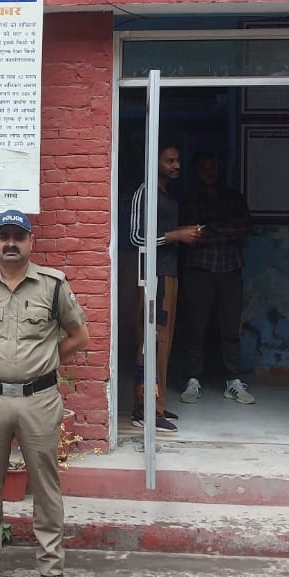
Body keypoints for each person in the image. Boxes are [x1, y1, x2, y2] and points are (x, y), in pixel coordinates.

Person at [0, 209, 89, 577]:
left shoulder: (53, 285)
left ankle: (50, 565)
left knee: (45, 485)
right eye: (4, 236)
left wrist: (44, 359)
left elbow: (79, 336)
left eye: (18, 236)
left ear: (31, 242)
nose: (10, 243)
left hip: (39, 399)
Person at [127, 144, 201, 432]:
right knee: (151, 343)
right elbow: (136, 238)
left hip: (168, 275)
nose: (176, 165)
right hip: (152, 277)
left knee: (163, 344)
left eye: (178, 160)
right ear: (153, 161)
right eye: (169, 160)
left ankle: (155, 404)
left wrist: (181, 234)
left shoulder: (166, 196)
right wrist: (177, 235)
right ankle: (143, 409)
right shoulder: (144, 192)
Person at [176, 152, 255, 406]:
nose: (209, 172)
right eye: (204, 167)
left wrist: (208, 230)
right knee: (195, 327)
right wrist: (222, 231)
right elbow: (191, 235)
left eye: (213, 167)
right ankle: (192, 379)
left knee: (230, 328)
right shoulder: (189, 200)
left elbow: (242, 228)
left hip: (230, 270)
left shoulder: (234, 198)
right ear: (196, 171)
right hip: (198, 271)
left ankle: (233, 380)